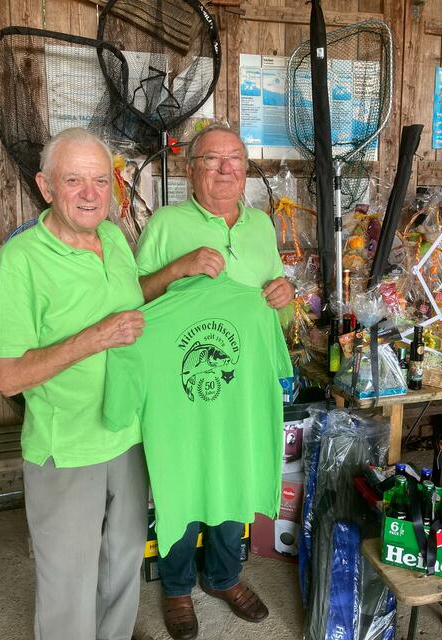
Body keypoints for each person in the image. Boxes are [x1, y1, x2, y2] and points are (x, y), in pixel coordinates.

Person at [135, 123, 294, 640]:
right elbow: (132, 303)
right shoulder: (166, 223)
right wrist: (178, 269)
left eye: (235, 159)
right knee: (180, 480)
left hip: (238, 392)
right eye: (212, 159)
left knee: (233, 477)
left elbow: (275, 317)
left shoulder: (261, 228)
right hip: (181, 391)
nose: (226, 169)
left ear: (247, 169)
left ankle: (225, 577)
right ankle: (178, 588)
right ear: (190, 169)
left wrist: (284, 298)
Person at [0, 128, 148, 640]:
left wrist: (180, 271)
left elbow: (129, 297)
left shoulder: (114, 240)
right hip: (66, 446)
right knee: (68, 586)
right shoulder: (21, 260)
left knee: (123, 565)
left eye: (100, 180)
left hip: (126, 431)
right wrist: (94, 338)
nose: (89, 193)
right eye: (73, 179)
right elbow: (8, 375)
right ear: (46, 186)